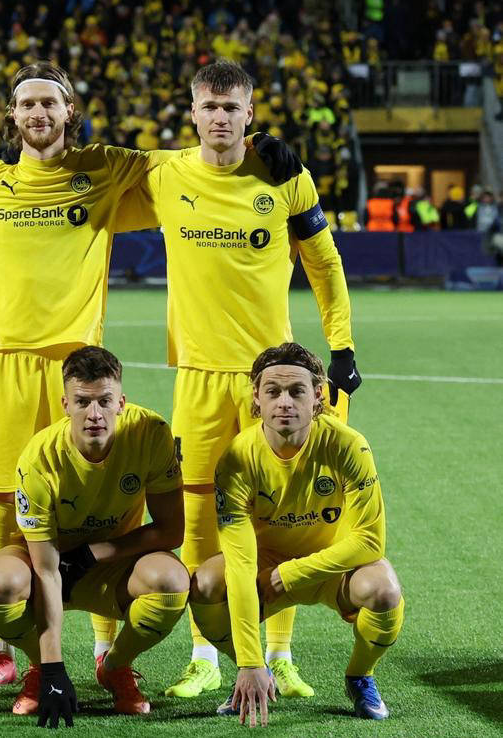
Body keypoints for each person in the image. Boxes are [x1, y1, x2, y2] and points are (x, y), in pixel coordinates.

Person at [0, 60, 301, 702]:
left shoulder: (106, 167)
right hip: (7, 361)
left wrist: (258, 146)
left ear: (70, 110)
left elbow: (195, 157)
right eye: (27, 103)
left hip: (79, 363)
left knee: (98, 504)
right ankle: (8, 655)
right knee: (5, 504)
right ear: (12, 114)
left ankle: (102, 654)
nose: (38, 113)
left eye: (50, 102)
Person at [129, 59, 359, 700]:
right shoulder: (165, 173)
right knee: (198, 514)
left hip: (273, 380)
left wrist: (341, 345)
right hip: (198, 377)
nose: (220, 117)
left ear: (249, 114)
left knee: (279, 514)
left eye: (232, 108)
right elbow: (86, 170)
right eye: (210, 106)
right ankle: (204, 653)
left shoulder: (285, 176)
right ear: (192, 113)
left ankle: (278, 654)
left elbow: (325, 262)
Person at [191, 342, 402, 725]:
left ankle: (360, 676)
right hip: (263, 569)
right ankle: (253, 675)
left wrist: (290, 574)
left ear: (318, 395)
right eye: (273, 391)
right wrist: (250, 661)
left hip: (331, 568)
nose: (284, 402)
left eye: (296, 391)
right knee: (206, 584)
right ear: (257, 397)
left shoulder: (348, 445)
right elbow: (240, 563)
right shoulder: (236, 460)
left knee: (383, 587)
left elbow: (369, 542)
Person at [0, 346, 187, 723]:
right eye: (82, 402)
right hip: (45, 566)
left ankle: (116, 666)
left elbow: (172, 530)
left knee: (171, 580)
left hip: (111, 568)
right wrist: (53, 668)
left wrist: (94, 553)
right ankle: (38, 669)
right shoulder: (39, 458)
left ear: (121, 403)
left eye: (105, 401)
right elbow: (46, 570)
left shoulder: (151, 433)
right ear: (65, 405)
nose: (95, 414)